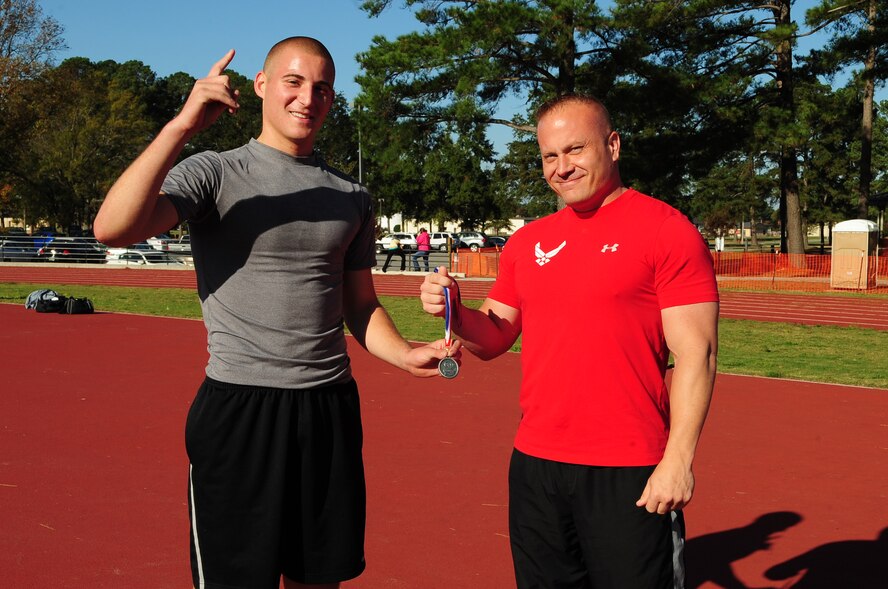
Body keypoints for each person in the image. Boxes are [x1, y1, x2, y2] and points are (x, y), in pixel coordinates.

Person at [94, 37, 458, 589]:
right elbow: (112, 228)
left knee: (319, 578)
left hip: (328, 408)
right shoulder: (214, 173)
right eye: (292, 82)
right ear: (261, 86)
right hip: (241, 410)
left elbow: (359, 305)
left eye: (321, 88)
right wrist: (181, 127)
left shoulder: (351, 195)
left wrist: (405, 353)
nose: (306, 98)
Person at [420, 94, 719, 588]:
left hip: (630, 469)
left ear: (614, 145)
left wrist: (679, 461)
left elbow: (697, 354)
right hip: (537, 467)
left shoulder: (667, 231)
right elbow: (495, 335)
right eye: (549, 156)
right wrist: (457, 309)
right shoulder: (526, 243)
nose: (562, 167)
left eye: (575, 150)